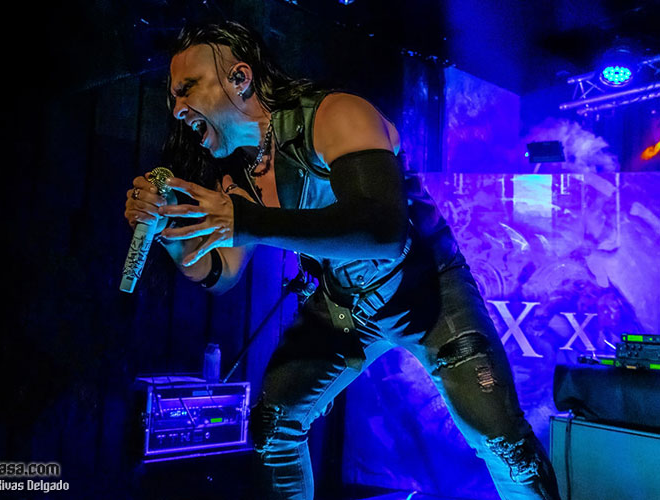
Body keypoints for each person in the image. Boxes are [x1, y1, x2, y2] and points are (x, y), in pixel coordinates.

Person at [124, 21, 561, 500]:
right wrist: (169, 234)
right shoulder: (238, 172)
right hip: (345, 304)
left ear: (240, 78)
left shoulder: (336, 115)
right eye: (172, 97)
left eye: (187, 88)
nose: (176, 108)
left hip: (429, 291)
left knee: (506, 447)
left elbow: (383, 232)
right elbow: (221, 273)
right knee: (273, 425)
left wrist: (247, 220)